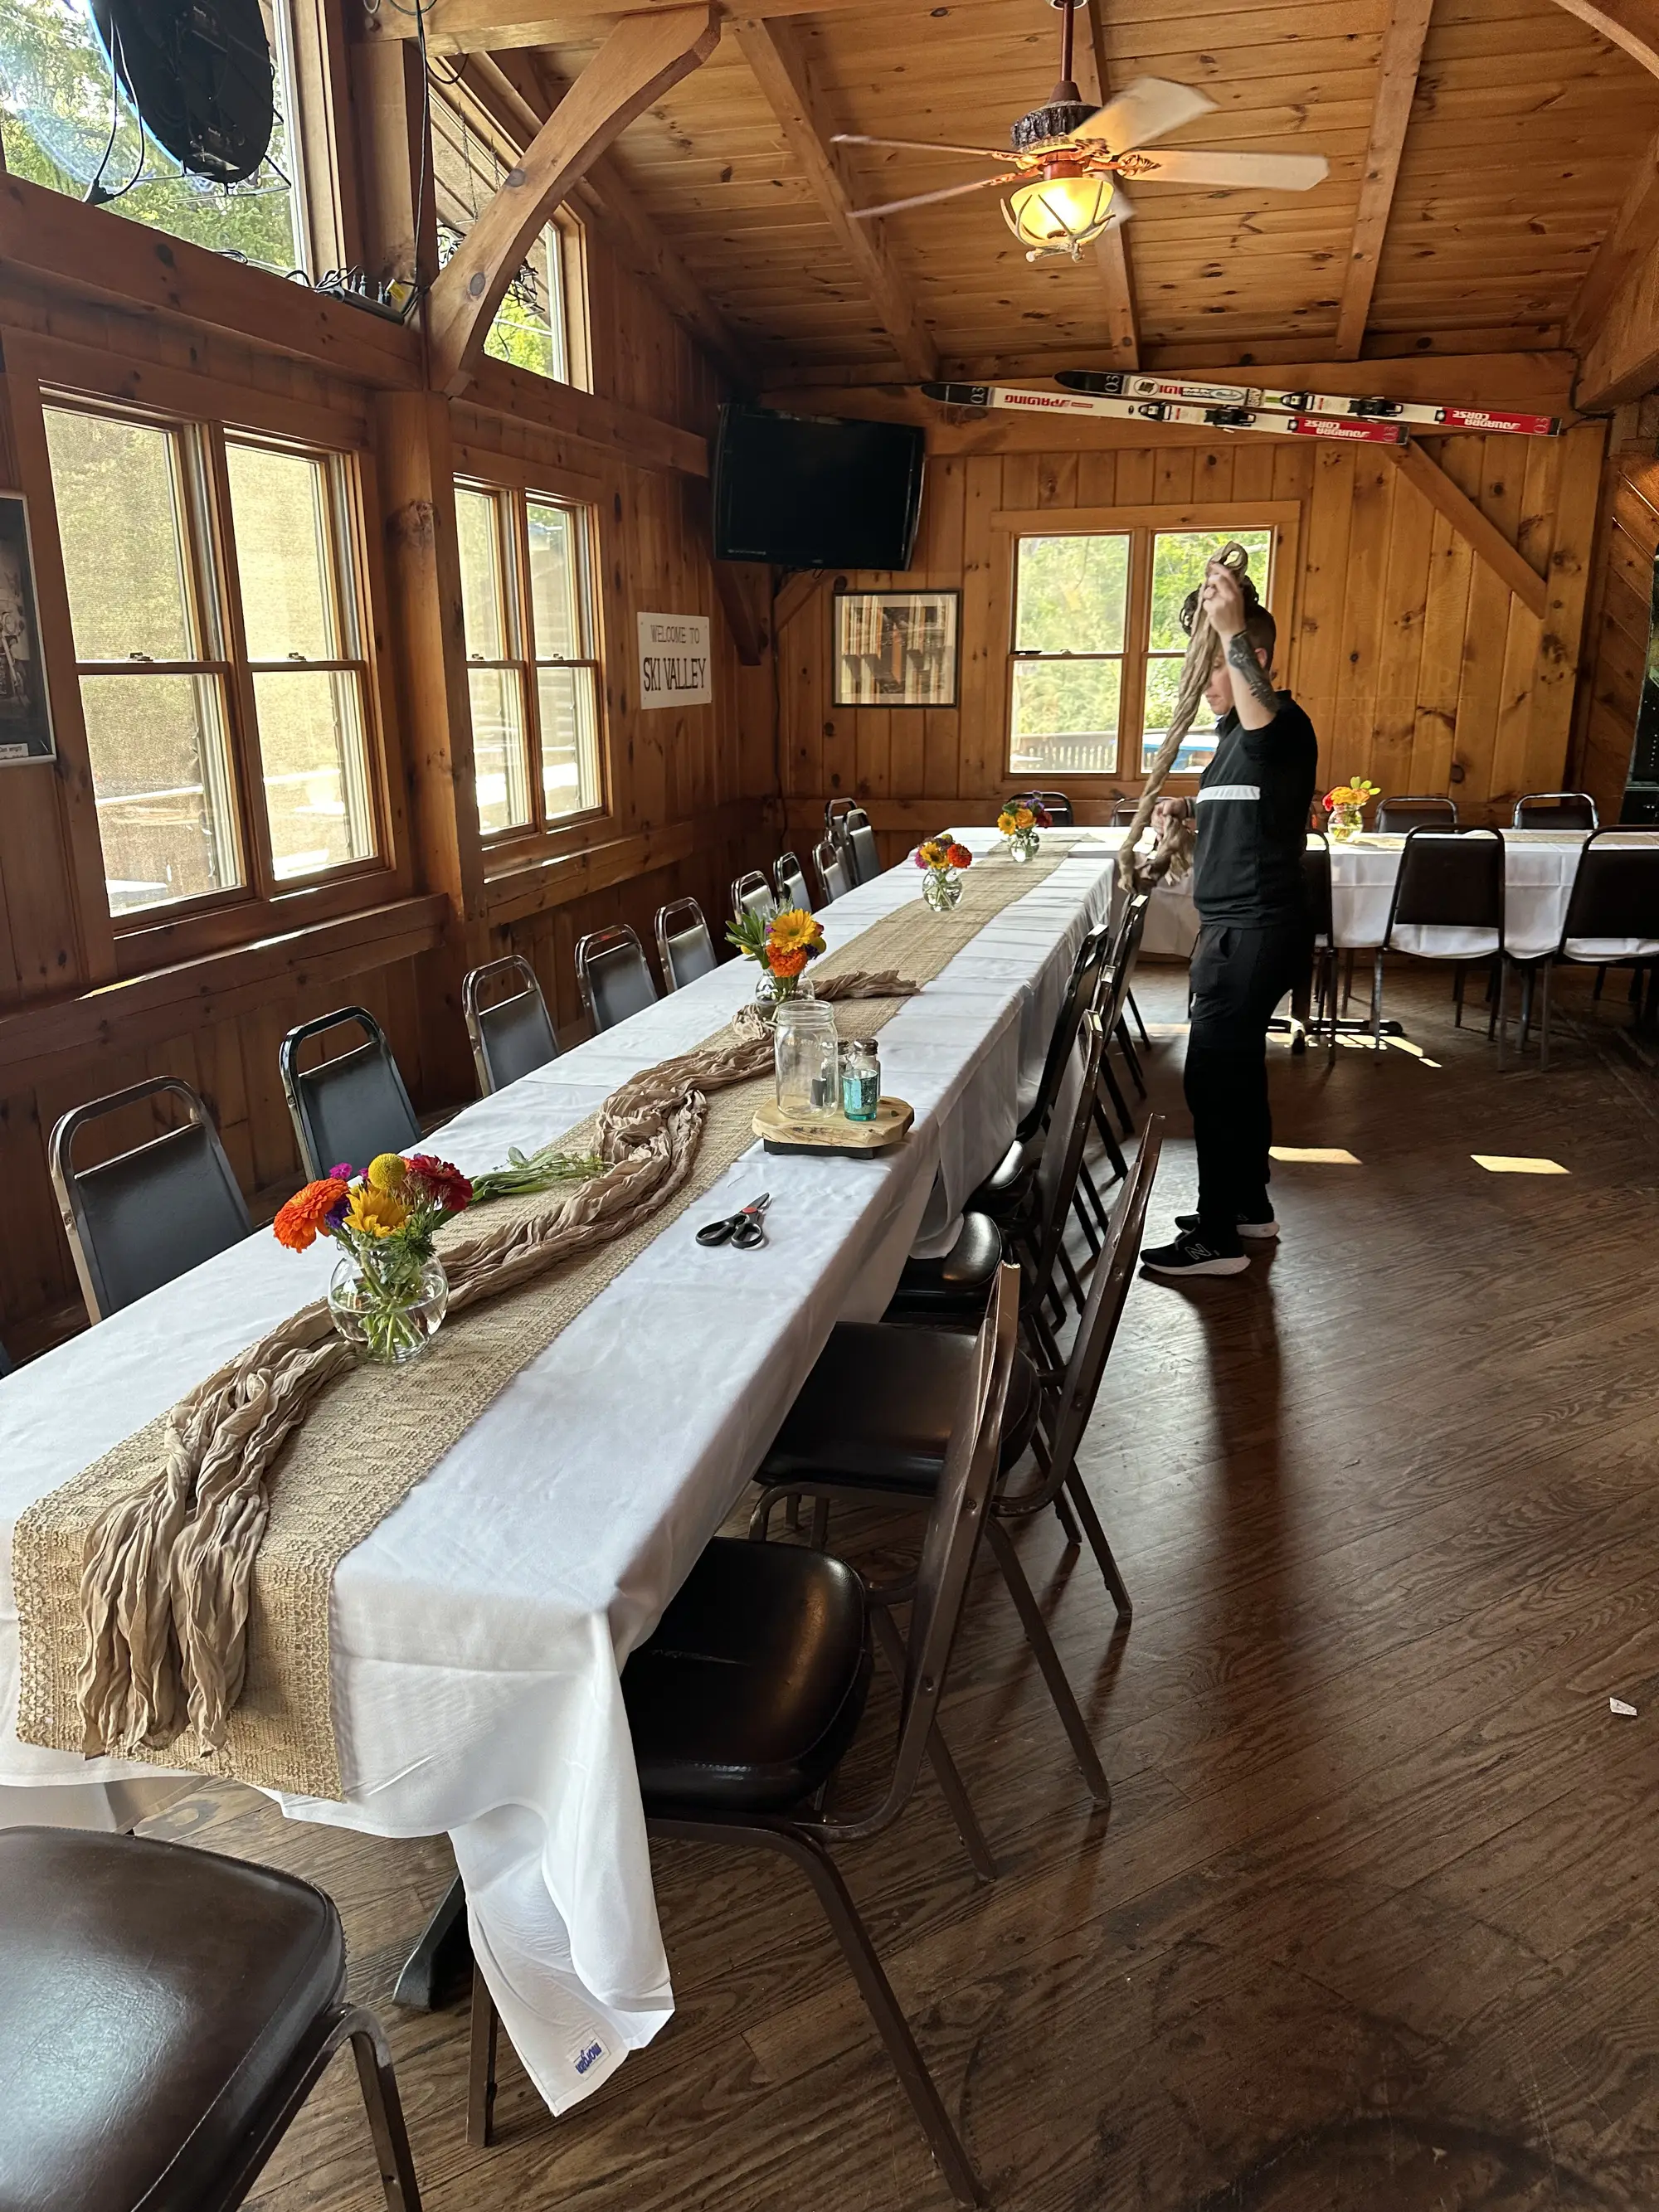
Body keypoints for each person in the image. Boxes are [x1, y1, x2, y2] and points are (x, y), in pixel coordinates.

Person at [1140, 558, 1318, 1280]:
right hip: (1242, 929)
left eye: (1212, 664)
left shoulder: (1278, 725)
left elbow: (1261, 724)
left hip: (1250, 932)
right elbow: (1251, 808)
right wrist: (1190, 809)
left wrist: (1231, 625)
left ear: (1254, 662)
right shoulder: (1234, 743)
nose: (1203, 679)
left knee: (1212, 1077)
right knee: (1238, 1074)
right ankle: (1247, 1207)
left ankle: (1217, 1238)